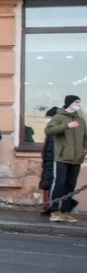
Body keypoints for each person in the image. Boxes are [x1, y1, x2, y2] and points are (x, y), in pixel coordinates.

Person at [46, 94, 85, 223]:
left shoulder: (81, 119)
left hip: (77, 158)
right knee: (59, 183)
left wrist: (84, 150)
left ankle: (65, 211)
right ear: (69, 103)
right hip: (62, 157)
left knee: (70, 185)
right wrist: (67, 126)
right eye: (76, 102)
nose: (78, 105)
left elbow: (85, 137)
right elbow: (49, 131)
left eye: (79, 103)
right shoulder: (59, 117)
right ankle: (55, 211)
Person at [39, 107, 59, 215]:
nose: (47, 119)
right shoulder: (50, 131)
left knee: (49, 184)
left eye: (49, 117)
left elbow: (51, 149)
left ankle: (49, 207)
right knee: (47, 184)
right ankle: (47, 206)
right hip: (48, 162)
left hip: (52, 162)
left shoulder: (54, 132)